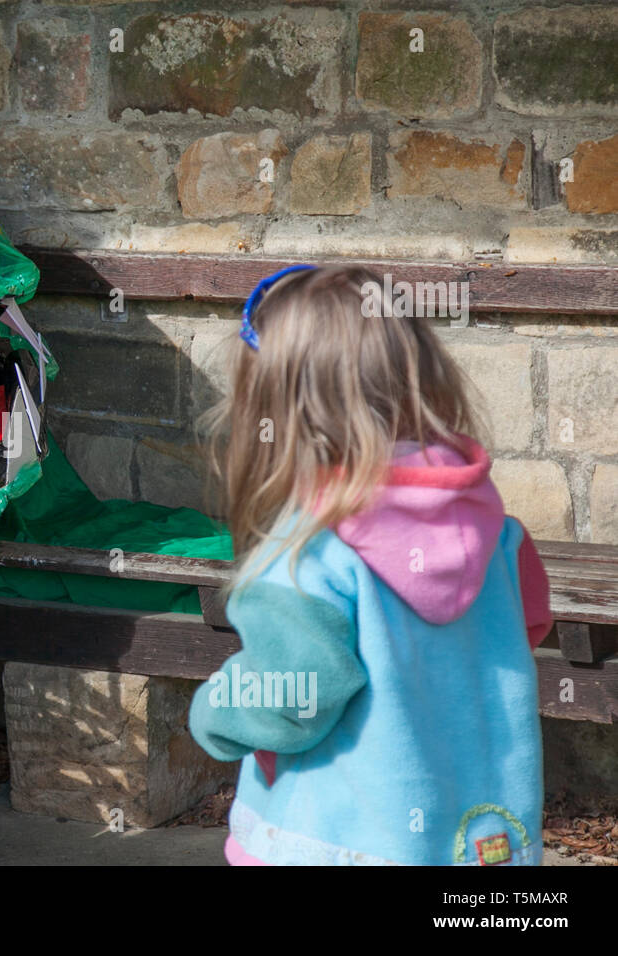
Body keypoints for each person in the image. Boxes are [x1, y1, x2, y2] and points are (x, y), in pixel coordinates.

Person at [188, 265, 552, 866]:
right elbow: (528, 627)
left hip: (336, 841)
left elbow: (292, 699)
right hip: (481, 844)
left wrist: (213, 710)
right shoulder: (500, 535)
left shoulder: (307, 555)